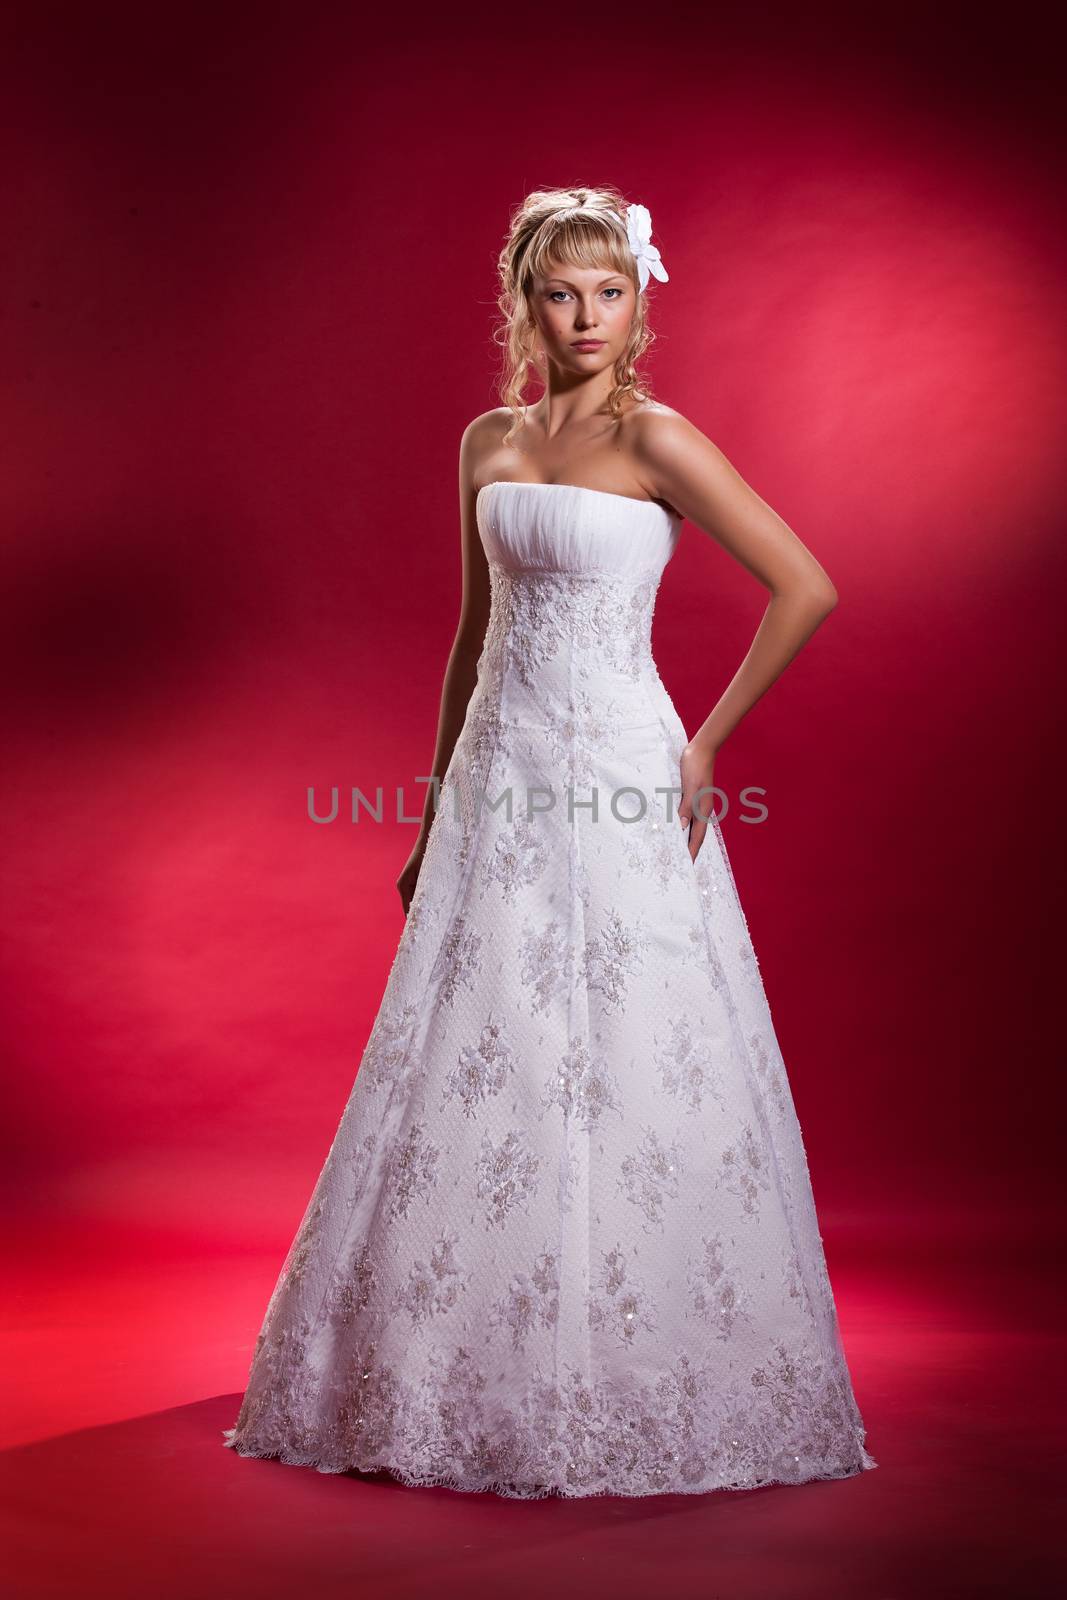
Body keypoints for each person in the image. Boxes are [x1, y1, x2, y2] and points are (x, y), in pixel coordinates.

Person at [222, 185, 878, 1498]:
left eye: (610, 291)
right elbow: (473, 641)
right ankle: (455, 1359)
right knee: (487, 1056)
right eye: (560, 293)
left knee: (626, 1054)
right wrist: (429, 818)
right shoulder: (489, 440)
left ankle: (633, 1358)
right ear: (523, 303)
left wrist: (703, 746)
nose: (586, 317)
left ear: (641, 301)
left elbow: (806, 582)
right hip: (499, 785)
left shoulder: (662, 438)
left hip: (623, 777)